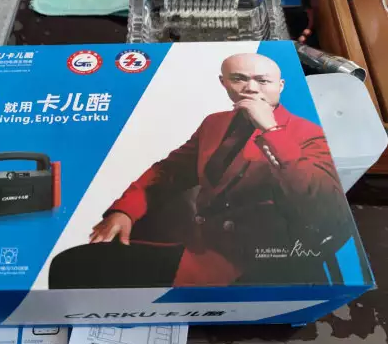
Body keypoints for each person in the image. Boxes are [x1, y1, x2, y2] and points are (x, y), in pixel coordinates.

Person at [49, 53, 355, 289]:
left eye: (262, 81)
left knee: (74, 267)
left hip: (253, 261)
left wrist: (271, 130)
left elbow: (321, 202)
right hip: (197, 241)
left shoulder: (307, 132)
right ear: (224, 83)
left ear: (280, 86)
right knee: (74, 262)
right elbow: (169, 172)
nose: (251, 88)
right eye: (239, 79)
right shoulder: (215, 123)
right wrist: (125, 211)